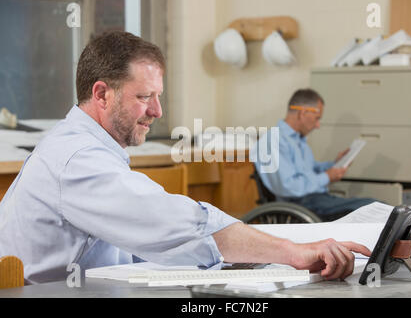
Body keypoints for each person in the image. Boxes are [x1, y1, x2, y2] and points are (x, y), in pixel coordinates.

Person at [0, 32, 370, 284]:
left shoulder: (87, 147)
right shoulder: (78, 159)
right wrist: (292, 253)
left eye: (158, 96)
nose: (158, 111)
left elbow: (141, 242)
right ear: (101, 95)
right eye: (144, 96)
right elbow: (173, 223)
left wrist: (250, 256)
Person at [253, 88, 376, 221]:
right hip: (301, 205)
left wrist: (334, 164)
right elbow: (288, 186)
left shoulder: (298, 140)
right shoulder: (273, 141)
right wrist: (327, 177)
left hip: (316, 200)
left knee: (376, 207)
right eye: (317, 118)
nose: (318, 125)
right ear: (303, 113)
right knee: (371, 209)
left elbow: (309, 170)